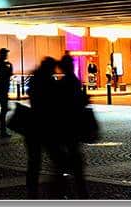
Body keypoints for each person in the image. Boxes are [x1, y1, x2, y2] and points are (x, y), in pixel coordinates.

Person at [53, 54, 90, 198]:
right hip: (73, 125)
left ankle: (63, 188)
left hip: (65, 125)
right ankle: (79, 189)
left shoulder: (64, 83)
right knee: (74, 156)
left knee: (66, 157)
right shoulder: (74, 82)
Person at [24, 57, 57, 199]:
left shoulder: (35, 79)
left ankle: (32, 190)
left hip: (33, 124)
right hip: (46, 125)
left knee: (34, 161)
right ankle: (56, 188)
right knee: (56, 158)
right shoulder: (49, 81)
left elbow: (30, 94)